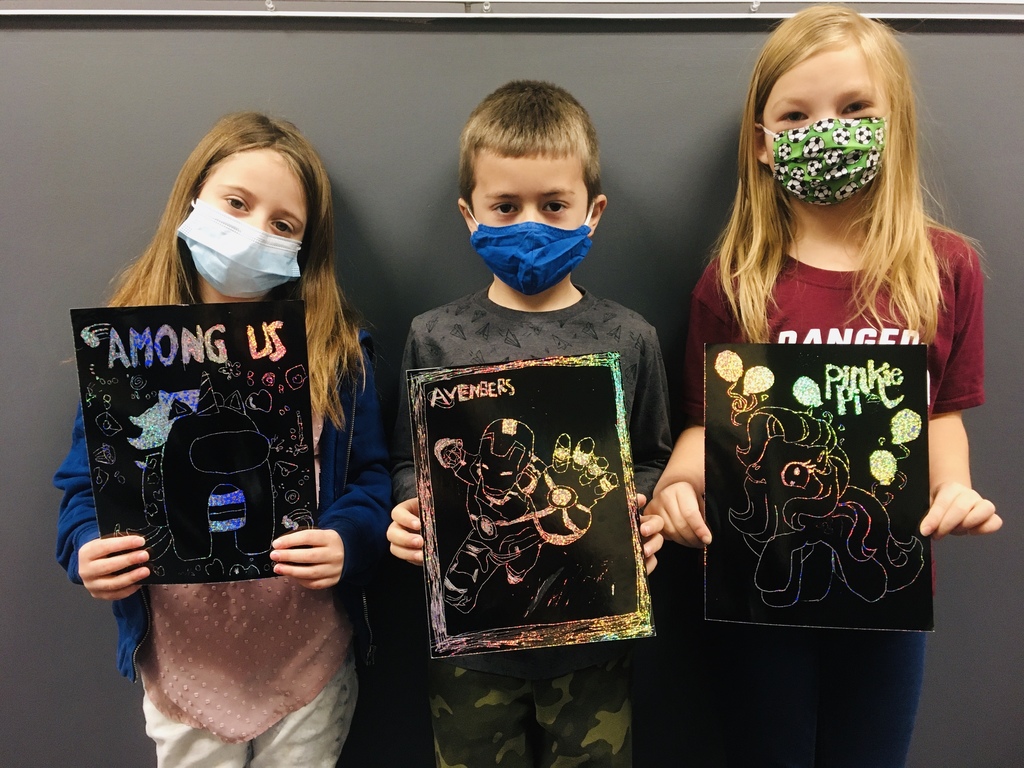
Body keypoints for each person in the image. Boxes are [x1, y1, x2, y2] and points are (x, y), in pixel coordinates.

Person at [647, 6, 1002, 767]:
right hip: (759, 582)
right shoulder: (736, 280)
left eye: (854, 109)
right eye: (797, 115)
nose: (825, 129)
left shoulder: (946, 270)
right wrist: (679, 483)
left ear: (894, 122)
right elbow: (709, 424)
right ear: (764, 145)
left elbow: (941, 416)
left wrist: (957, 488)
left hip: (889, 584)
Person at [54, 112, 392, 766]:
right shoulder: (128, 355)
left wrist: (348, 541)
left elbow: (372, 479)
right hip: (184, 668)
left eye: (283, 225)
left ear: (304, 248)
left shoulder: (333, 353)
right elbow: (84, 484)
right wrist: (87, 546)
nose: (253, 232)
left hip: (306, 660)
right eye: (235, 204)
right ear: (191, 203)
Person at [387, 80, 671, 767]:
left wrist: (649, 512)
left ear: (592, 212)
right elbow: (405, 460)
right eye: (505, 207)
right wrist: (405, 510)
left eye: (553, 205)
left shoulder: (629, 337)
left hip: (593, 642)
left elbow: (655, 454)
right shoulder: (434, 338)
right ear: (470, 213)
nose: (529, 225)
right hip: (472, 655)